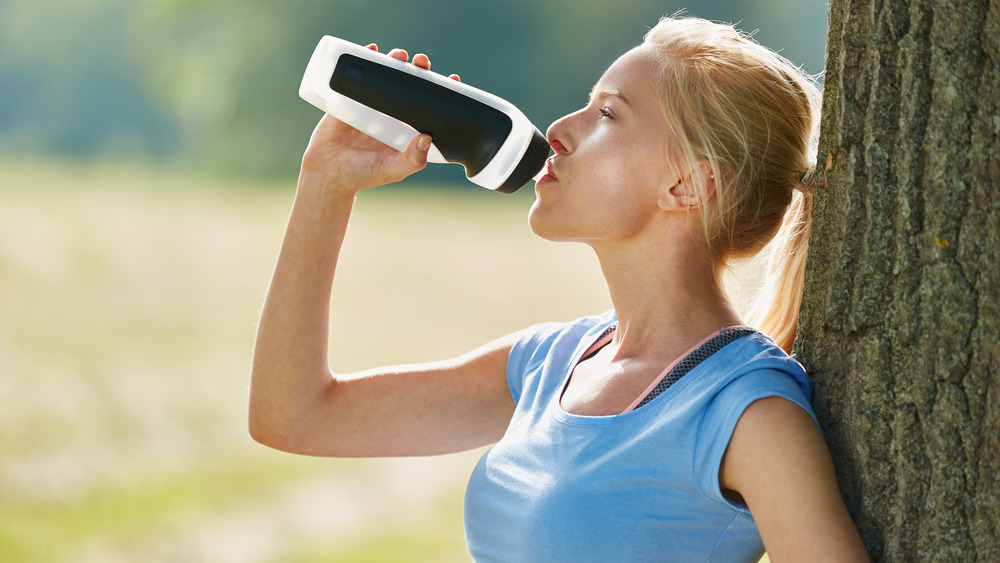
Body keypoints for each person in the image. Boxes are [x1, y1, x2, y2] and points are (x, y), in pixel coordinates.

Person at [249, 15, 869, 562]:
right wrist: (325, 184)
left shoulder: (749, 412)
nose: (559, 129)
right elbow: (294, 418)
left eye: (607, 114)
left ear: (686, 186)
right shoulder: (552, 364)